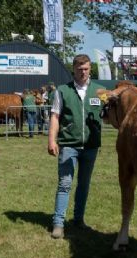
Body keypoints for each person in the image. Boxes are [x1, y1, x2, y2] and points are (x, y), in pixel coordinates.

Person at [47, 54, 105, 239]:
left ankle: (79, 220)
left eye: (86, 68)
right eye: (79, 69)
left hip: (91, 146)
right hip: (69, 145)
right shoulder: (62, 91)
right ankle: (58, 223)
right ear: (73, 69)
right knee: (65, 184)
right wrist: (51, 140)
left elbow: (110, 112)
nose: (83, 72)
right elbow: (55, 117)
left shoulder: (100, 91)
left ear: (91, 69)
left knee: (84, 184)